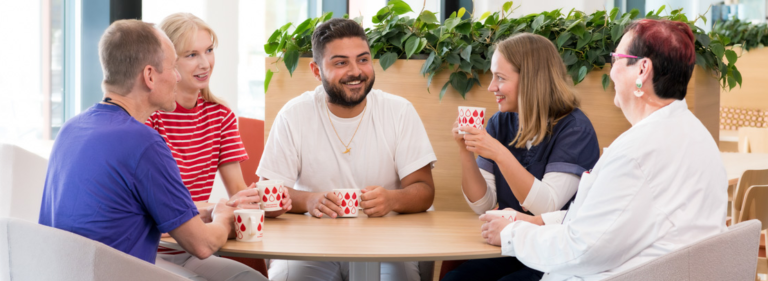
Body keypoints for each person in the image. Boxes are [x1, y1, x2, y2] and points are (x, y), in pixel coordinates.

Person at [479, 19, 728, 280]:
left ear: (642, 69)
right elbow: (613, 218)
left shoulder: (637, 152)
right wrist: (538, 222)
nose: (611, 71)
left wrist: (511, 235)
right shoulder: (695, 135)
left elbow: (581, 250)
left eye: (616, 59)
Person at [38, 19, 266, 281]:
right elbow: (202, 245)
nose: (178, 76)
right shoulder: (144, 142)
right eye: (173, 67)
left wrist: (206, 211)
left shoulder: (71, 129)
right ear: (149, 76)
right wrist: (224, 217)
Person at [256, 18, 437, 281]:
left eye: (363, 59)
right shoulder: (293, 115)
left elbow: (425, 190)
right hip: (310, 246)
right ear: (316, 71)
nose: (356, 71)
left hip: (385, 245)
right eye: (341, 63)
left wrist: (392, 200)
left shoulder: (399, 112)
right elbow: (267, 194)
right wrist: (309, 200)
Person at [443, 33, 600, 281]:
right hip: (510, 248)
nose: (491, 87)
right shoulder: (500, 123)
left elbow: (547, 205)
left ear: (530, 80)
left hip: (553, 253)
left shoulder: (575, 130)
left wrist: (498, 152)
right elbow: (482, 204)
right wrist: (465, 149)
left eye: (500, 78)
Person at [146, 13, 289, 280]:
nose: (205, 63)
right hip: (154, 251)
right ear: (168, 61)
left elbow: (237, 191)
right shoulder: (151, 116)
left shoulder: (220, 115)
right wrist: (215, 208)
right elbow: (153, 204)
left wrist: (266, 204)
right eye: (191, 55)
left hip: (196, 251)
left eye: (209, 50)